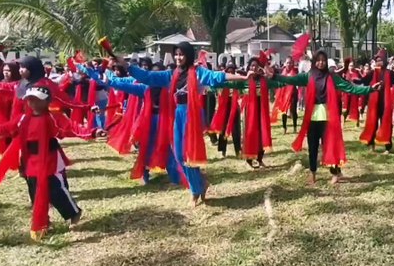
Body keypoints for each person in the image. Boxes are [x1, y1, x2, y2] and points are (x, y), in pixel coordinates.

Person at [0, 86, 105, 240]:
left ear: (47, 101)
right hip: (30, 162)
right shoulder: (22, 119)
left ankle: (73, 213)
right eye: (30, 99)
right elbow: (4, 128)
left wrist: (93, 132)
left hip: (50, 161)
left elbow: (72, 129)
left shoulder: (53, 117)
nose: (33, 103)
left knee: (56, 191)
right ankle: (43, 222)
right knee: (35, 194)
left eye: (37, 99)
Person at [126, 42, 249, 207]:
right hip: (178, 114)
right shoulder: (171, 74)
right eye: (176, 54)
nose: (178, 57)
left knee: (188, 155)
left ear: (188, 55)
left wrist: (242, 77)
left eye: (181, 54)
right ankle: (200, 183)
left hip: (192, 114)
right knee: (178, 155)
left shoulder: (198, 72)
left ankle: (195, 190)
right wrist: (127, 66)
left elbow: (216, 77)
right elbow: (148, 77)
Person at [267, 50, 379, 185]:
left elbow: (350, 88)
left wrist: (370, 89)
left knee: (329, 146)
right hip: (312, 118)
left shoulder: (332, 77)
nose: (321, 62)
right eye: (318, 60)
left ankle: (336, 173)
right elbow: (290, 79)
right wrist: (274, 76)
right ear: (314, 62)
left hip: (328, 118)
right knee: (312, 147)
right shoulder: (308, 76)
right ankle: (312, 173)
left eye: (323, 60)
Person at [359, 49, 394, 154]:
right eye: (377, 60)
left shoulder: (390, 73)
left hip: (386, 104)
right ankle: (371, 146)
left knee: (386, 124)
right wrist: (352, 80)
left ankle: (388, 147)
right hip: (374, 104)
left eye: (381, 60)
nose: (379, 62)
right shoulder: (372, 73)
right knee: (372, 124)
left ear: (385, 61)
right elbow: (363, 81)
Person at [271, 57, 300, 134]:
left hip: (293, 93)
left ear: (293, 64)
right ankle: (284, 127)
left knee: (293, 110)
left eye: (290, 63)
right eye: (287, 62)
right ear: (285, 63)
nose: (289, 64)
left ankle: (295, 127)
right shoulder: (282, 72)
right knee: (283, 111)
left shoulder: (295, 72)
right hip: (284, 94)